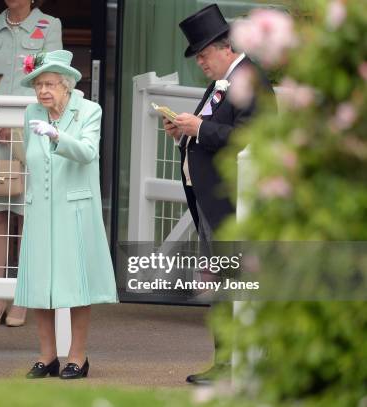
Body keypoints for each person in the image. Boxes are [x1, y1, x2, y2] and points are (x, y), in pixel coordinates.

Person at [164, 4, 274, 385]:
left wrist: (199, 128)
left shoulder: (250, 80)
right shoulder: (225, 81)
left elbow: (252, 137)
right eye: (198, 57)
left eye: (204, 55)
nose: (201, 64)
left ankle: (240, 364)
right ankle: (227, 361)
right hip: (215, 201)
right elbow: (212, 128)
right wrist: (186, 130)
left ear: (225, 47)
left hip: (235, 202)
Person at [14, 50, 117, 379]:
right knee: (39, 285)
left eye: (49, 84)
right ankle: (47, 356)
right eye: (38, 85)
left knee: (76, 286)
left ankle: (77, 356)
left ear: (67, 85)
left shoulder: (89, 110)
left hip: (75, 210)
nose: (43, 91)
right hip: (41, 210)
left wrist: (57, 135)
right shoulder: (32, 112)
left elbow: (88, 152)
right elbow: (30, 156)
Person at [0, 0, 62, 328]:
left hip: (32, 135)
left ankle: (22, 295)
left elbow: (53, 82)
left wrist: (22, 125)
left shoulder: (49, 26)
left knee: (27, 215)